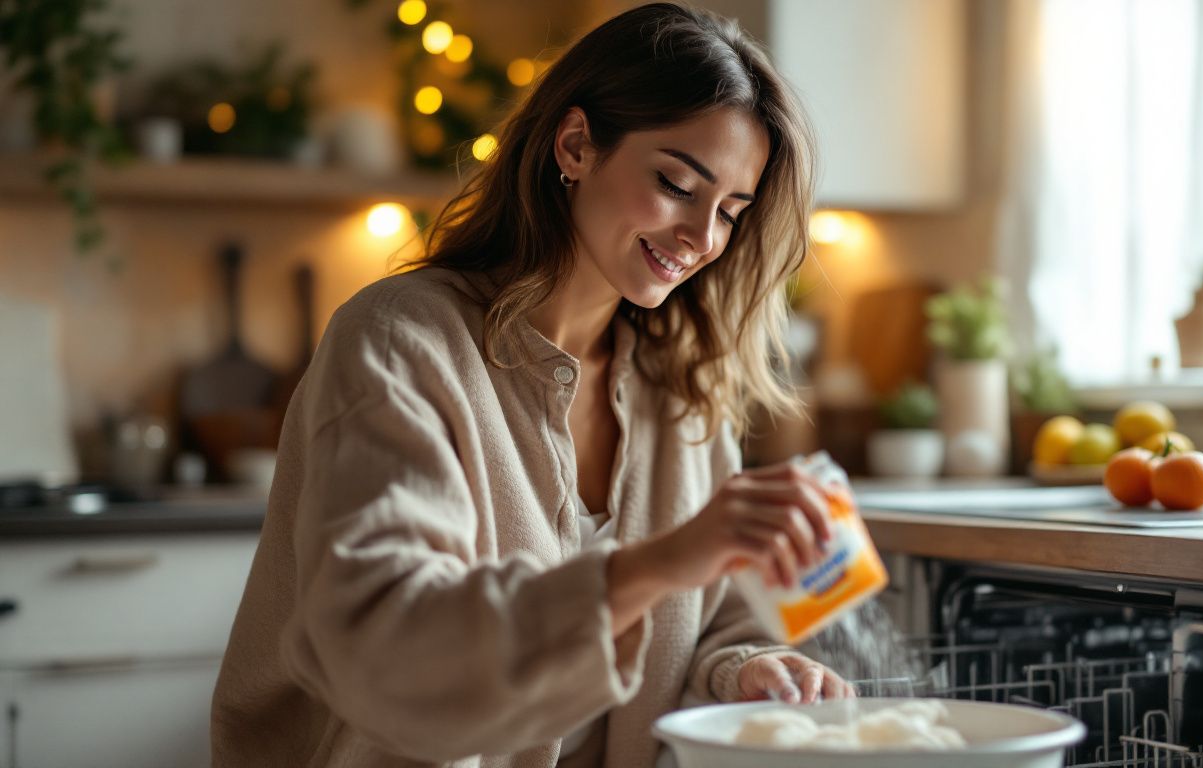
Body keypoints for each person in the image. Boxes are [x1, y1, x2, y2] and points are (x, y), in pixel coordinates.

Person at [211, 4, 852, 767]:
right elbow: (389, 658)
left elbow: (706, 626)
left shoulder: (681, 392)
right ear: (576, 145)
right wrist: (654, 565)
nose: (702, 238)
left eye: (730, 214)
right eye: (678, 184)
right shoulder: (399, 343)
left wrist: (744, 668)